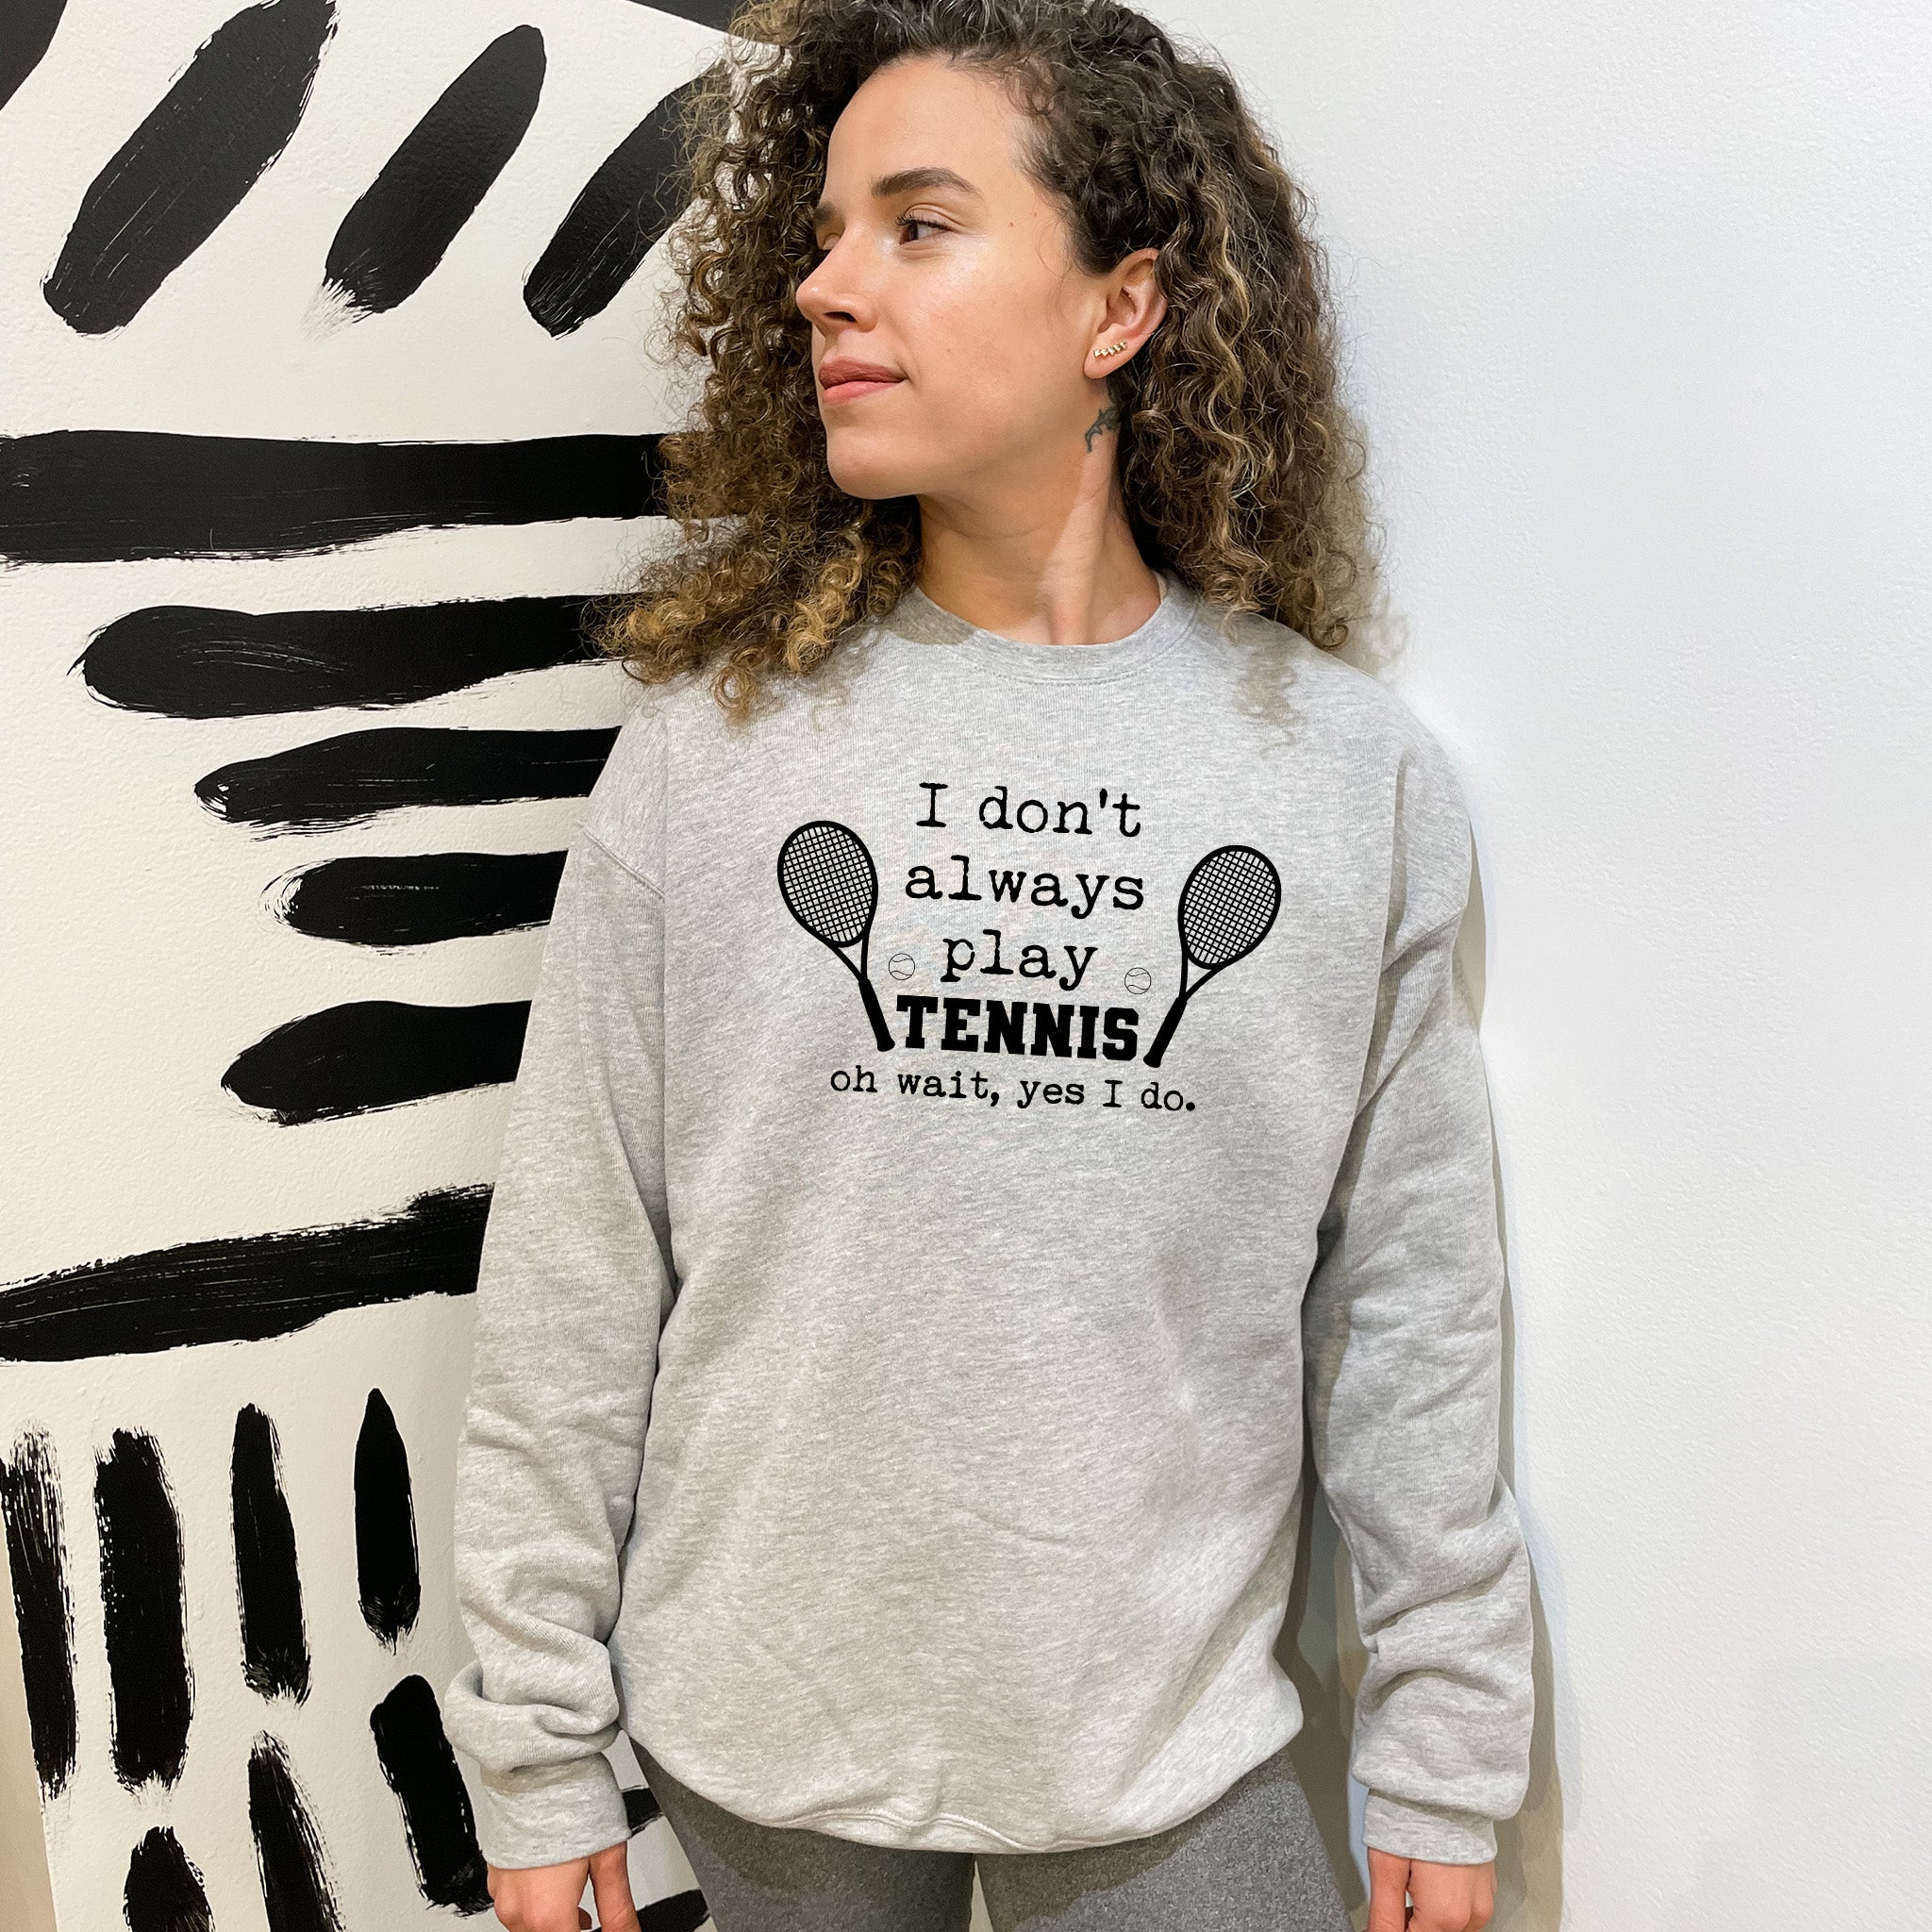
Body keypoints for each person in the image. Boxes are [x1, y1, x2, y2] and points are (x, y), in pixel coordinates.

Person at [443, 3, 1534, 1929]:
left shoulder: (1344, 779)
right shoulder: (708, 755)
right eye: (827, 227)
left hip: (1162, 1745)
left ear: (1120, 311)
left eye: (917, 225)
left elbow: (1414, 1317)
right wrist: (533, 1757)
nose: (824, 284)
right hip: (761, 1745)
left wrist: (1444, 1746)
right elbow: (571, 1277)